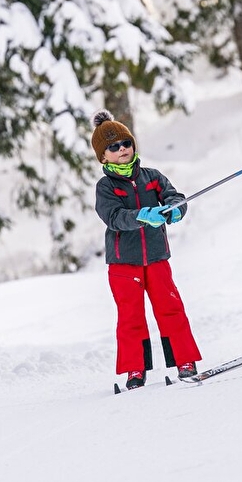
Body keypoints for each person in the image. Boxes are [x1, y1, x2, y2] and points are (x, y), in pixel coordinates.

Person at [92, 111, 202, 388]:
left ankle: (184, 361)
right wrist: (141, 215)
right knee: (130, 318)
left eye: (126, 143)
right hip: (123, 263)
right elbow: (114, 217)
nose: (122, 150)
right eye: (113, 147)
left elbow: (175, 196)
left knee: (171, 309)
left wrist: (176, 210)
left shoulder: (152, 177)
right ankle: (135, 370)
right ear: (103, 157)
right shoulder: (105, 187)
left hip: (155, 257)